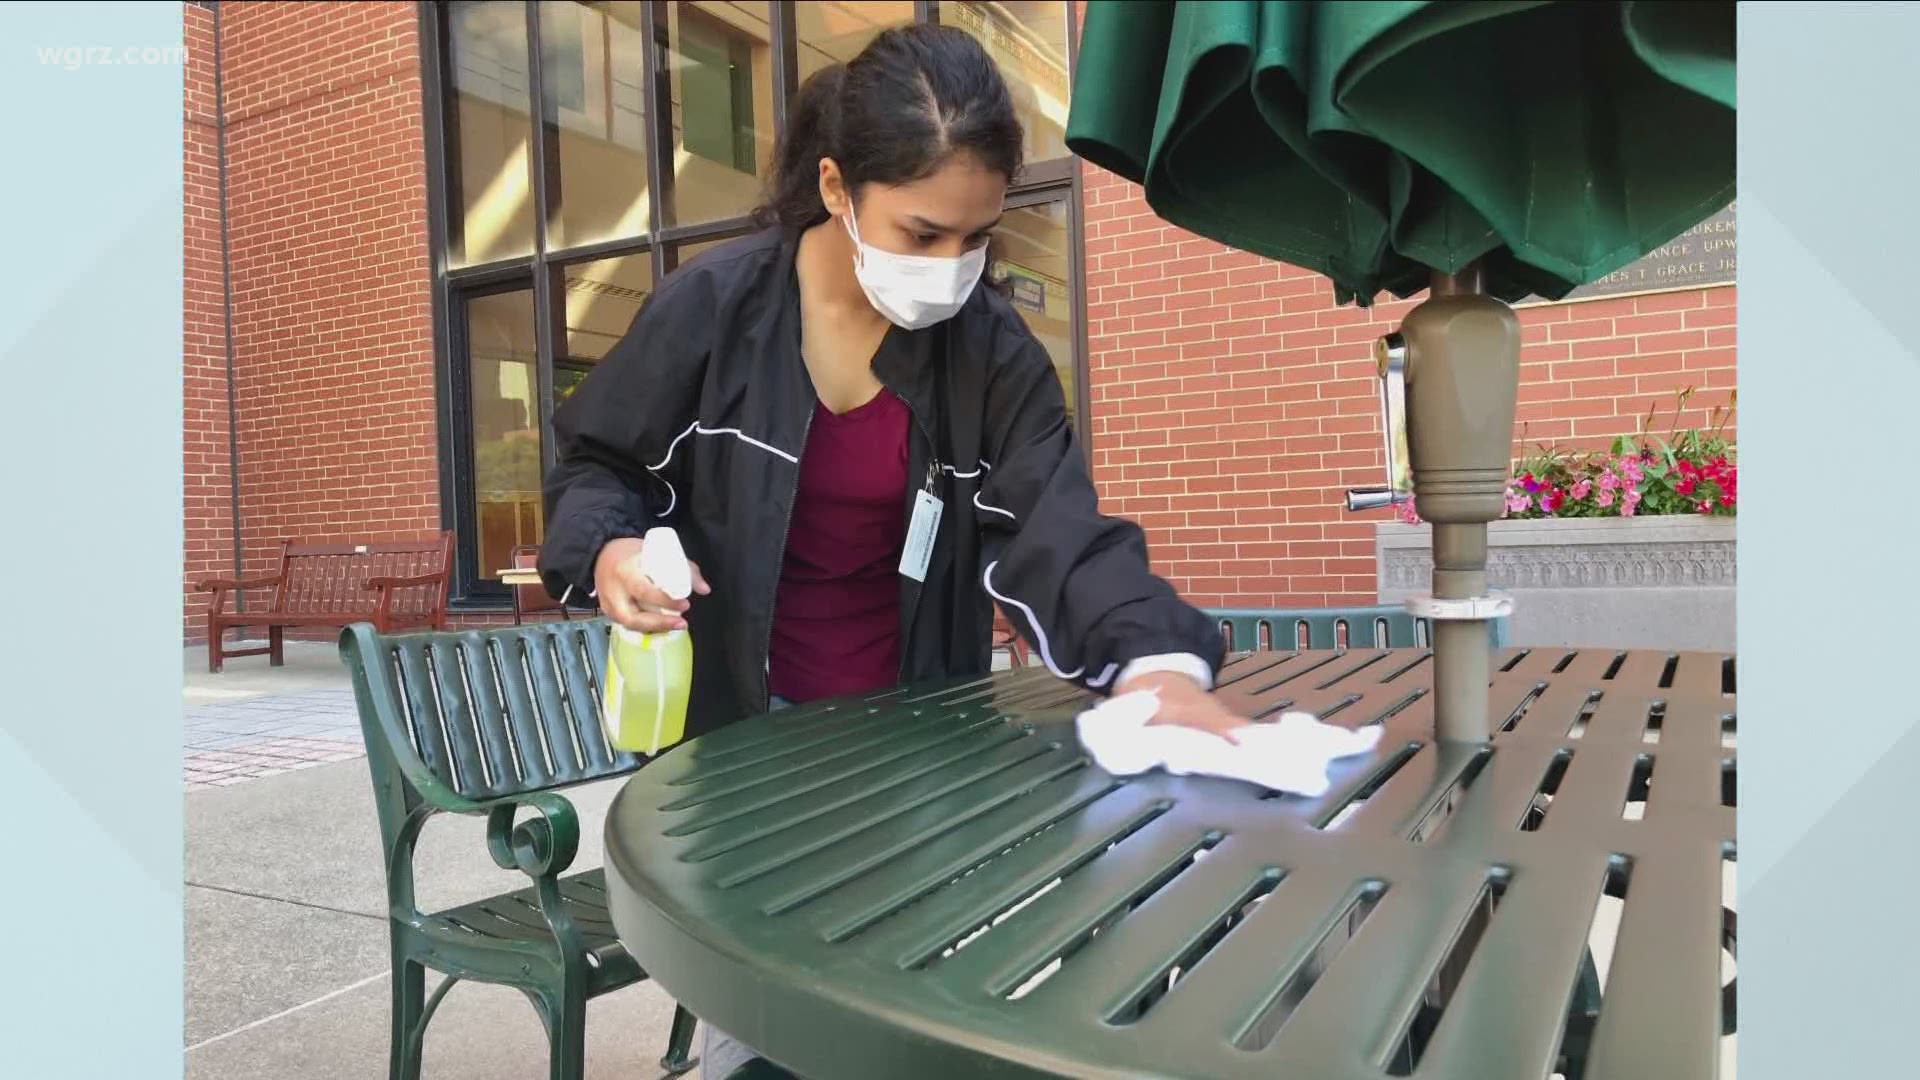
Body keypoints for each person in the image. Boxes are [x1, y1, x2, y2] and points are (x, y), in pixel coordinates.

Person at [537, 23, 1249, 1079]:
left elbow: (1062, 527)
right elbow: (598, 464)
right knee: (782, 1023)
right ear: (836, 186)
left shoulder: (988, 352)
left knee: (909, 1012)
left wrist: (1155, 663)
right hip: (740, 749)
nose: (952, 270)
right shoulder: (714, 314)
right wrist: (608, 554)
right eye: (921, 234)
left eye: (977, 239)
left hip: (908, 749)